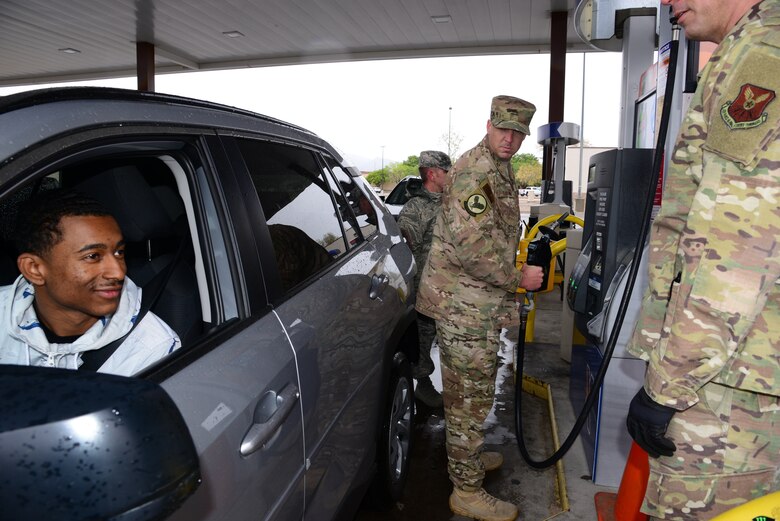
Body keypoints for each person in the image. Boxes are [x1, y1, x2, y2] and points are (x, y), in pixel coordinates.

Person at [625, 1, 780, 519]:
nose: (667, 0)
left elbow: (737, 248)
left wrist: (670, 383)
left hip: (732, 387)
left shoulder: (762, 56)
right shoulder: (742, 49)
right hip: (732, 371)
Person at [416, 95, 545, 521]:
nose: (509, 139)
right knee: (467, 399)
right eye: (503, 129)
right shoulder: (476, 170)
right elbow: (473, 248)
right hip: (462, 305)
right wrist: (517, 277)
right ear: (488, 124)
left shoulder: (500, 168)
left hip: (476, 303)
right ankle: (466, 490)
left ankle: (466, 460)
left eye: (518, 133)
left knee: (476, 391)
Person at [0, 189, 181, 376]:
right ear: (34, 269)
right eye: (93, 256)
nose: (118, 273)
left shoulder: (151, 348)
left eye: (119, 252)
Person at [397, 149, 451, 409]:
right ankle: (423, 384)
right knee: (424, 336)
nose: (450, 176)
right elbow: (406, 253)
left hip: (451, 285)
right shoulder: (414, 209)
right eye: (446, 171)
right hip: (427, 287)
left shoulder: (451, 202)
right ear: (432, 173)